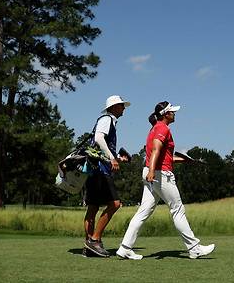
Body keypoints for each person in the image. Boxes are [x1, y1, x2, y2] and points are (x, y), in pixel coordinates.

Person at [116, 101, 215, 260]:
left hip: (152, 172)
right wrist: (153, 170)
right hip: (159, 174)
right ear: (165, 114)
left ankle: (125, 248)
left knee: (143, 212)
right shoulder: (163, 128)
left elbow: (164, 156)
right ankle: (194, 248)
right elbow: (156, 149)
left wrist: (187, 161)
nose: (174, 113)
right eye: (172, 111)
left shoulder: (154, 128)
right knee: (177, 209)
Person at [83, 95, 131, 257]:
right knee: (115, 204)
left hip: (95, 169)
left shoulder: (109, 121)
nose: (123, 108)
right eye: (121, 106)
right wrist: (112, 158)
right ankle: (94, 241)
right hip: (100, 170)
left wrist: (117, 158)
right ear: (113, 107)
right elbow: (98, 138)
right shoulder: (107, 119)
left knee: (93, 207)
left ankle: (88, 245)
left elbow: (102, 144)